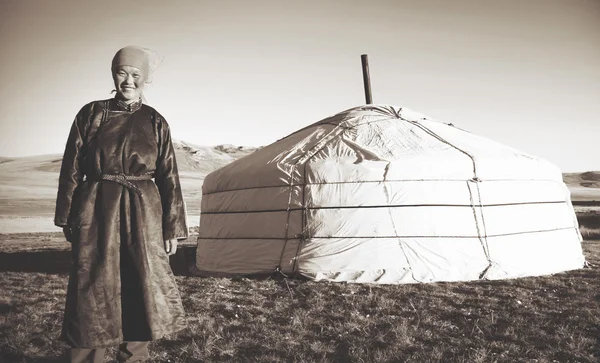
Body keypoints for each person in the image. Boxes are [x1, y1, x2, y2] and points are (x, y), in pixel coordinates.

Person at [54, 46, 188, 363]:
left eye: (136, 75)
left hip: (143, 211)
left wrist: (173, 227)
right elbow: (71, 167)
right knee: (92, 285)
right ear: (114, 74)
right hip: (96, 208)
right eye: (122, 73)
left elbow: (169, 176)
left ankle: (134, 357)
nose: (128, 80)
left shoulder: (156, 121)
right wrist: (68, 216)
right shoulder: (90, 114)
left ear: (146, 79)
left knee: (140, 281)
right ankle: (88, 359)